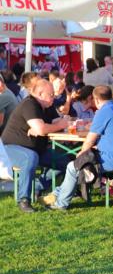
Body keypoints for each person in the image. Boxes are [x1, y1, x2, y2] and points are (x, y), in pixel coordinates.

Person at [43, 85, 113, 210]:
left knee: (72, 167)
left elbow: (90, 140)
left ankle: (61, 203)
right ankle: (56, 194)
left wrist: (81, 153)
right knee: (78, 164)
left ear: (95, 99)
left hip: (111, 160)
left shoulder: (104, 111)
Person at [1, 79, 71, 212]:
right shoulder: (29, 104)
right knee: (30, 157)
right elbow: (43, 129)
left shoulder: (47, 105)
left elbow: (59, 122)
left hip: (37, 149)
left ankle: (38, 187)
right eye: (51, 95)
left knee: (66, 162)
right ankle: (24, 199)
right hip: (10, 148)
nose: (54, 97)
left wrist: (60, 123)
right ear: (40, 94)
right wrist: (48, 127)